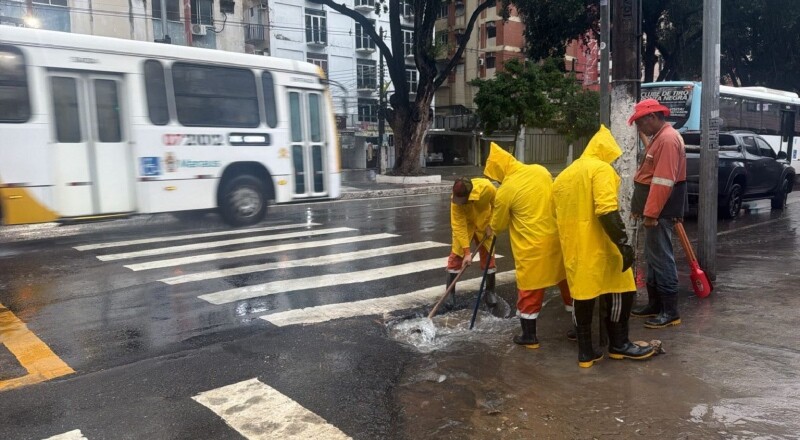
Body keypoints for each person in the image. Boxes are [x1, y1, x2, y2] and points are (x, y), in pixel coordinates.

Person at [552, 125, 655, 368]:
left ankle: (586, 352)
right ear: (605, 150)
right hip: (601, 244)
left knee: (582, 296)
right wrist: (623, 244)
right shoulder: (600, 169)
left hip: (575, 247)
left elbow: (554, 213)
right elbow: (606, 209)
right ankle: (619, 345)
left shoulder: (564, 175)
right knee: (622, 289)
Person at [483, 143, 573, 348]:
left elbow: (499, 224)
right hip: (555, 240)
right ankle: (578, 329)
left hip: (531, 247)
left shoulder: (506, 190)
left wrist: (490, 229)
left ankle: (529, 337)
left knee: (530, 289)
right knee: (566, 282)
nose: (496, 179)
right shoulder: (540, 171)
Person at [627, 99, 687, 329]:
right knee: (653, 259)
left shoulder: (668, 140)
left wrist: (651, 213)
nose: (638, 128)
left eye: (640, 122)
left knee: (661, 258)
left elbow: (662, 182)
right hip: (653, 210)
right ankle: (655, 304)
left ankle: (670, 311)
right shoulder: (659, 137)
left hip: (659, 212)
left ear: (652, 117)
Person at [446, 177, 498, 308]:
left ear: (469, 195)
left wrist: (491, 224)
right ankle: (450, 294)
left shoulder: (487, 188)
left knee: (488, 257)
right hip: (466, 227)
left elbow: (497, 205)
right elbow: (458, 225)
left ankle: (490, 291)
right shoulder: (455, 200)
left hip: (484, 224)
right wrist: (467, 252)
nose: (459, 202)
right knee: (456, 257)